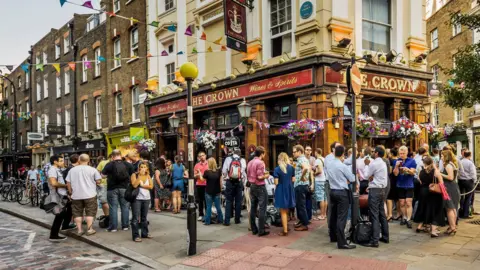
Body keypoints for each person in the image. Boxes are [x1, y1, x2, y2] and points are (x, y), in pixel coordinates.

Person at [328, 145, 356, 249]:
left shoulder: (330, 164)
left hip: (332, 191)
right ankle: (342, 242)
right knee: (341, 217)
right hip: (341, 192)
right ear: (343, 154)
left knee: (333, 216)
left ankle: (333, 236)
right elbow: (352, 178)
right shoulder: (341, 166)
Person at [66, 154, 102, 236]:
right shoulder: (92, 170)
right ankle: (89, 229)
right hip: (90, 194)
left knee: (77, 212)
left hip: (76, 195)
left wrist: (70, 192)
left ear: (79, 160)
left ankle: (79, 230)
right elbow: (98, 181)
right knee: (90, 212)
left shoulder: (72, 170)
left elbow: (68, 183)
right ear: (88, 160)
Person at [102, 150, 135, 232]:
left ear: (112, 156)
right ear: (120, 155)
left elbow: (102, 176)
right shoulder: (128, 164)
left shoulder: (109, 164)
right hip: (124, 188)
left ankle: (113, 227)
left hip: (112, 188)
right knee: (125, 207)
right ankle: (125, 226)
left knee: (113, 207)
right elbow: (133, 176)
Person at [363, 146, 389, 247]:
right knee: (382, 214)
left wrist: (366, 165)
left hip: (375, 190)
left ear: (377, 153)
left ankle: (374, 240)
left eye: (374, 152)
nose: (373, 153)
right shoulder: (383, 162)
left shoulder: (374, 163)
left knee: (374, 215)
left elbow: (365, 175)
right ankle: (385, 237)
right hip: (382, 189)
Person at [413, 156, 445, 237]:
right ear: (432, 163)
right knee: (435, 210)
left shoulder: (421, 171)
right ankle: (433, 231)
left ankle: (420, 226)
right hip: (434, 193)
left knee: (424, 208)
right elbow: (441, 183)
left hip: (423, 192)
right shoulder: (435, 172)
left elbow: (420, 182)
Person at [48, 155, 75, 241]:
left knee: (69, 209)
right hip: (57, 196)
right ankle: (53, 235)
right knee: (60, 215)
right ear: (55, 162)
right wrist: (66, 185)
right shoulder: (52, 170)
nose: (63, 162)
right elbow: (54, 183)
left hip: (62, 195)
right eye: (60, 161)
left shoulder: (57, 170)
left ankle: (64, 226)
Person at [247, 146, 270, 237]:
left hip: (252, 186)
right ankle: (261, 230)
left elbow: (248, 174)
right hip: (260, 186)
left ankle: (254, 229)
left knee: (253, 207)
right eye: (264, 153)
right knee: (262, 208)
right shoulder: (260, 163)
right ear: (261, 154)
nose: (265, 155)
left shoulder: (250, 162)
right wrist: (267, 175)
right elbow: (260, 176)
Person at [393, 146, 417, 229]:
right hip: (400, 184)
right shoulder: (396, 161)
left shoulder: (412, 161)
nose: (402, 155)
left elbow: (413, 173)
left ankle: (409, 219)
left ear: (407, 153)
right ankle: (404, 217)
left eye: (403, 153)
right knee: (402, 203)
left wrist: (407, 169)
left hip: (409, 184)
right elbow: (395, 174)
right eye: (400, 153)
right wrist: (396, 166)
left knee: (408, 202)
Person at [130, 161, 154, 242]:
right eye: (142, 167)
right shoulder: (134, 175)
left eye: (145, 167)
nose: (143, 168)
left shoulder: (148, 176)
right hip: (137, 198)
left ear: (147, 168)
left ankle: (145, 233)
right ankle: (136, 235)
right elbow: (134, 185)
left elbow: (151, 186)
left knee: (144, 217)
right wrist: (139, 176)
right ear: (139, 167)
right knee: (135, 218)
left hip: (146, 198)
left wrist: (143, 185)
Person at [273, 152, 295, 236]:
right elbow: (293, 180)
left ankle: (285, 230)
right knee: (286, 209)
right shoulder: (291, 168)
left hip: (281, 189)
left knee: (282, 211)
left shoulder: (277, 169)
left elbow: (276, 182)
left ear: (279, 159)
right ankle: (286, 226)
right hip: (289, 188)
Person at [222, 149, 246, 225]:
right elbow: (243, 171)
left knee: (229, 201)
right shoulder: (242, 160)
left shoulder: (228, 159)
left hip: (230, 182)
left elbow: (224, 171)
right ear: (240, 154)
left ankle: (227, 221)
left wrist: (226, 176)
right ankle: (237, 219)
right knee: (238, 201)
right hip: (239, 182)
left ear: (233, 153)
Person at [441, 150, 460, 236]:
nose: (441, 157)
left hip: (450, 188)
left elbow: (450, 177)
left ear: (446, 156)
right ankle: (453, 226)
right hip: (453, 187)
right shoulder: (452, 164)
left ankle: (452, 227)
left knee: (449, 208)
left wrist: (440, 174)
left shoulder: (448, 165)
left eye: (442, 156)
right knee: (453, 208)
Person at [292, 145, 312, 232]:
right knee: (300, 205)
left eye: (294, 152)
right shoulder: (304, 159)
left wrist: (302, 177)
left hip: (301, 185)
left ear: (299, 152)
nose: (293, 153)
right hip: (303, 185)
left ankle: (304, 224)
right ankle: (302, 221)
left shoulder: (301, 159)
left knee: (301, 205)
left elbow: (306, 168)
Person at [202, 158, 224, 225]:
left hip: (209, 191)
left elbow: (202, 179)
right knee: (218, 207)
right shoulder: (218, 171)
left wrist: (200, 173)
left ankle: (207, 221)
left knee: (208, 207)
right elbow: (220, 182)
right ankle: (220, 220)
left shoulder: (207, 172)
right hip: (217, 191)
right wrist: (221, 189)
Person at [458, 151, 476, 219]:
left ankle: (461, 211)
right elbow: (473, 173)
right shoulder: (470, 163)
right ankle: (466, 213)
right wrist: (474, 180)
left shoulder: (460, 161)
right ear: (470, 155)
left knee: (461, 197)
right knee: (468, 197)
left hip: (460, 181)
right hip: (468, 181)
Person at [194, 152, 208, 221]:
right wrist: (199, 175)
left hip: (207, 184)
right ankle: (200, 214)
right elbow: (194, 175)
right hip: (199, 184)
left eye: (203, 155)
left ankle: (207, 214)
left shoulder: (208, 164)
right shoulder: (197, 165)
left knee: (207, 200)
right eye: (200, 156)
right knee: (200, 200)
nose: (202, 157)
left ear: (205, 156)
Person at [313, 148, 327, 220]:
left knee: (321, 198)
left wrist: (314, 174)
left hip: (319, 180)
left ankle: (321, 215)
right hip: (324, 180)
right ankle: (324, 214)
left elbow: (320, 171)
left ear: (316, 152)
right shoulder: (324, 159)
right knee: (325, 198)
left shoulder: (317, 160)